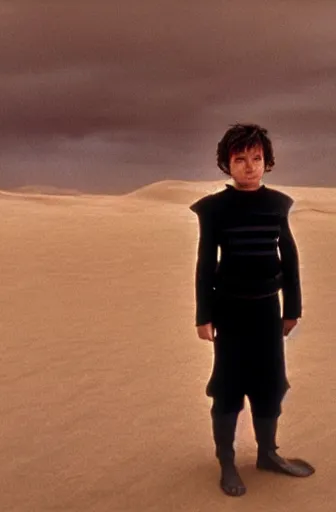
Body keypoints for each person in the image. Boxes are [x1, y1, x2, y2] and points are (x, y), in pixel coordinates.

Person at [189, 123, 315, 498]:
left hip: (267, 312)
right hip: (229, 311)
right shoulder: (215, 209)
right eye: (240, 159)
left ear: (267, 162)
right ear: (227, 164)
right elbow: (205, 263)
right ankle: (226, 461)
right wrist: (203, 315)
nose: (249, 166)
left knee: (271, 383)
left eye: (256, 158)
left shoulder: (277, 204)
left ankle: (268, 453)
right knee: (228, 385)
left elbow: (289, 259)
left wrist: (292, 309)